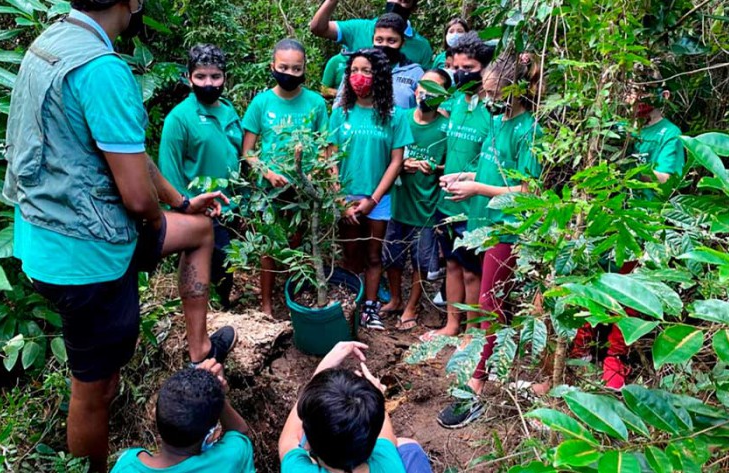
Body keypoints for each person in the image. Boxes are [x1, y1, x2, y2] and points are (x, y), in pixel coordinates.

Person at [4, 1, 237, 469]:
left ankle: (198, 350)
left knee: (198, 229)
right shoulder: (102, 68)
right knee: (95, 390)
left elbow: (128, 153)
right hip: (86, 255)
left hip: (45, 236)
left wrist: (180, 203)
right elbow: (135, 196)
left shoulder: (51, 43)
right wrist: (153, 225)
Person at [437, 52, 544, 428]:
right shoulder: (499, 122)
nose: (488, 100)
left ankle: (477, 386)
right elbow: (489, 166)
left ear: (515, 90)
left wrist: (477, 188)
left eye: (494, 93)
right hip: (485, 224)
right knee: (489, 302)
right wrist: (464, 176)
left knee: (488, 305)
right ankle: (489, 371)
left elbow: (527, 190)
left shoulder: (528, 130)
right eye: (486, 92)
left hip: (508, 229)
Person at [569, 64, 685, 389]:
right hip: (606, 220)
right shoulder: (620, 128)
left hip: (641, 226)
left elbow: (665, 179)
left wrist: (634, 169)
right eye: (633, 92)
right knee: (594, 286)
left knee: (630, 296)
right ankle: (581, 352)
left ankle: (616, 361)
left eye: (644, 93)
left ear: (663, 95)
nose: (637, 99)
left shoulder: (669, 134)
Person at [242, 38, 329, 317]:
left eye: (296, 68)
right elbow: (248, 152)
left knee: (300, 245)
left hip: (304, 191)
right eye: (284, 67)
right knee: (269, 246)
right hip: (269, 191)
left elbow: (325, 145)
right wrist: (266, 172)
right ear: (273, 66)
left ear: (304, 69)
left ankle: (294, 301)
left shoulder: (316, 103)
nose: (289, 73)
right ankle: (266, 305)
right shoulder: (261, 102)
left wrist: (316, 173)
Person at [329, 49, 413, 331]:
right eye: (354, 70)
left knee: (374, 255)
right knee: (351, 256)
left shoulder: (395, 116)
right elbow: (330, 158)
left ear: (379, 76)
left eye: (366, 71)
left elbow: (396, 161)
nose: (359, 77)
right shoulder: (340, 112)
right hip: (346, 198)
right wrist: (340, 198)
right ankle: (349, 307)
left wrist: (373, 199)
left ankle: (370, 307)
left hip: (380, 199)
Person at [421, 32, 495, 342]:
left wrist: (470, 181)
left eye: (472, 66)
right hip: (447, 201)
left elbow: (493, 163)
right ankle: (452, 324)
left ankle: (474, 329)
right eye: (459, 67)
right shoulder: (453, 103)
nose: (464, 73)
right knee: (451, 264)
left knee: (471, 270)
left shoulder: (492, 110)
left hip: (473, 205)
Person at [159, 44, 243, 310]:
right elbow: (169, 172)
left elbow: (239, 157)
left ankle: (224, 308)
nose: (209, 83)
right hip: (199, 211)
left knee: (227, 265)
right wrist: (184, 207)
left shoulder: (230, 112)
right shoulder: (180, 118)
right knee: (204, 267)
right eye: (201, 77)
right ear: (189, 77)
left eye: (215, 77)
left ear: (225, 78)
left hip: (231, 208)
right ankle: (207, 314)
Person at [278, 342, 433, 473]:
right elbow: (385, 432)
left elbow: (287, 440)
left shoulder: (297, 468)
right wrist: (374, 394)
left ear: (307, 443)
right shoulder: (386, 460)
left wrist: (323, 368)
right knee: (408, 445)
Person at [381, 69, 451, 331]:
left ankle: (413, 304)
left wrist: (435, 167)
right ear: (414, 89)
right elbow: (387, 155)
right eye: (423, 85)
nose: (426, 92)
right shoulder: (400, 119)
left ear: (444, 96)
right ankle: (396, 299)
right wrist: (402, 163)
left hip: (426, 207)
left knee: (421, 262)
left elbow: (453, 165)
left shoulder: (446, 128)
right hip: (398, 204)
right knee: (392, 256)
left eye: (435, 89)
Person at [110, 359, 255, 472]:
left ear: (155, 416)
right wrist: (217, 394)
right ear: (210, 435)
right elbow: (239, 432)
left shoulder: (126, 465)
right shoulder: (230, 458)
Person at [309, 0, 433, 68]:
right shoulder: (359, 28)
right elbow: (318, 28)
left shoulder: (422, 46)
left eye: (404, 1)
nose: (396, 4)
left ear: (413, 8)